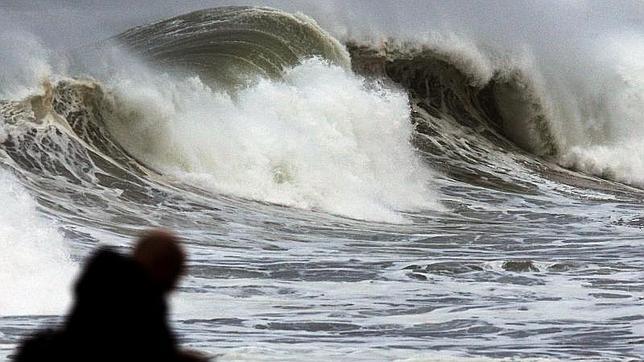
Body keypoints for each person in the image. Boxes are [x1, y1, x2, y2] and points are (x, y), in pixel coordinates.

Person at [15, 229, 207, 362]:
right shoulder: (147, 302)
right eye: (176, 273)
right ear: (162, 268)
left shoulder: (102, 270)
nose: (175, 284)